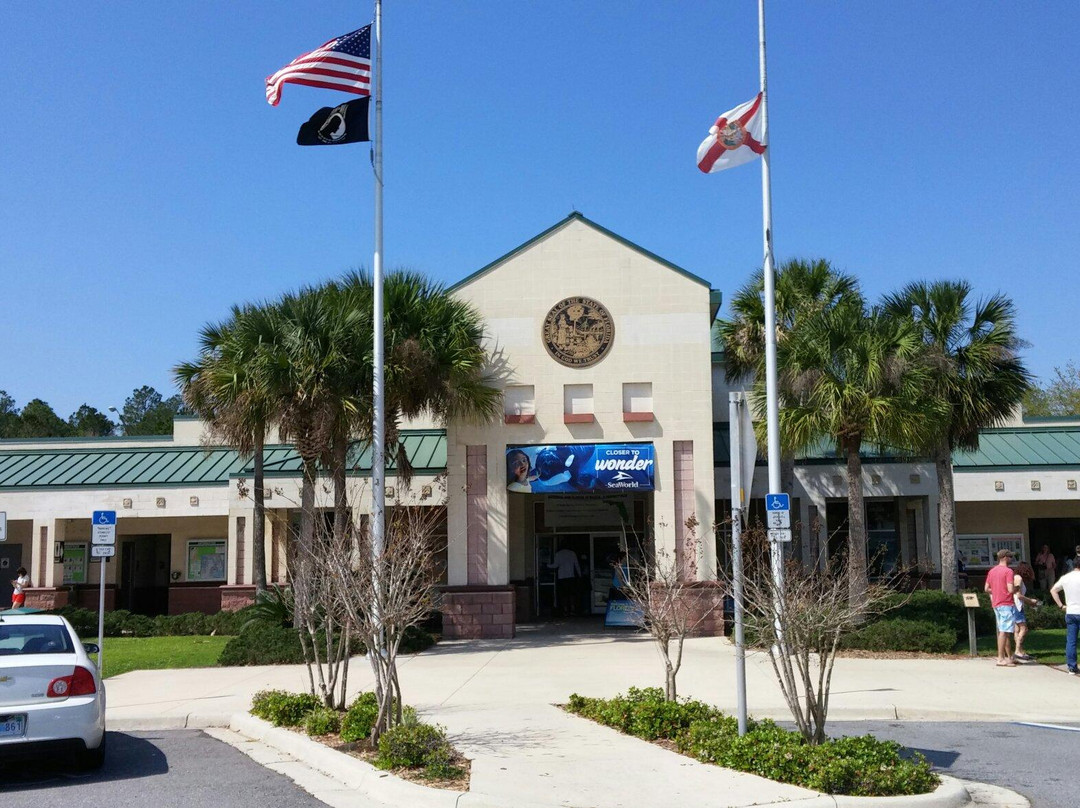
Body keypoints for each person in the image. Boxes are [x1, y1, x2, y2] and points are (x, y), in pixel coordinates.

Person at [984, 549, 1018, 667]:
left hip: (996, 603)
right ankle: (1000, 658)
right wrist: (1016, 589)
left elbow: (986, 588)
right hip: (1006, 604)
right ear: (1004, 557)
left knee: (1006, 630)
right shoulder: (1008, 571)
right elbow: (1010, 589)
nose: (1011, 559)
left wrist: (997, 589)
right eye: (1010, 557)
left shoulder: (992, 571)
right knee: (1003, 632)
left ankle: (1009, 657)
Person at [1050, 560, 1080, 675]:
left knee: (1071, 641)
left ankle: (1072, 667)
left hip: (1071, 611)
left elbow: (1053, 590)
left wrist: (1061, 605)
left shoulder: (1066, 578)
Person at [1012, 562, 1040, 662]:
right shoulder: (1018, 578)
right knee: (1024, 628)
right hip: (1017, 606)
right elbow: (1018, 595)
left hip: (1015, 605)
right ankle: (1017, 651)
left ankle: (1020, 650)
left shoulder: (1016, 577)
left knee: (1017, 630)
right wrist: (1031, 601)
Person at [550, 542, 582, 617]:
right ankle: (572, 609)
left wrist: (546, 566)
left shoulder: (558, 554)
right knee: (571, 594)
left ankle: (565, 610)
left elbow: (555, 565)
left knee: (563, 595)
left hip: (562, 577)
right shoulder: (572, 553)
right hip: (571, 576)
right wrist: (580, 575)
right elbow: (576, 565)